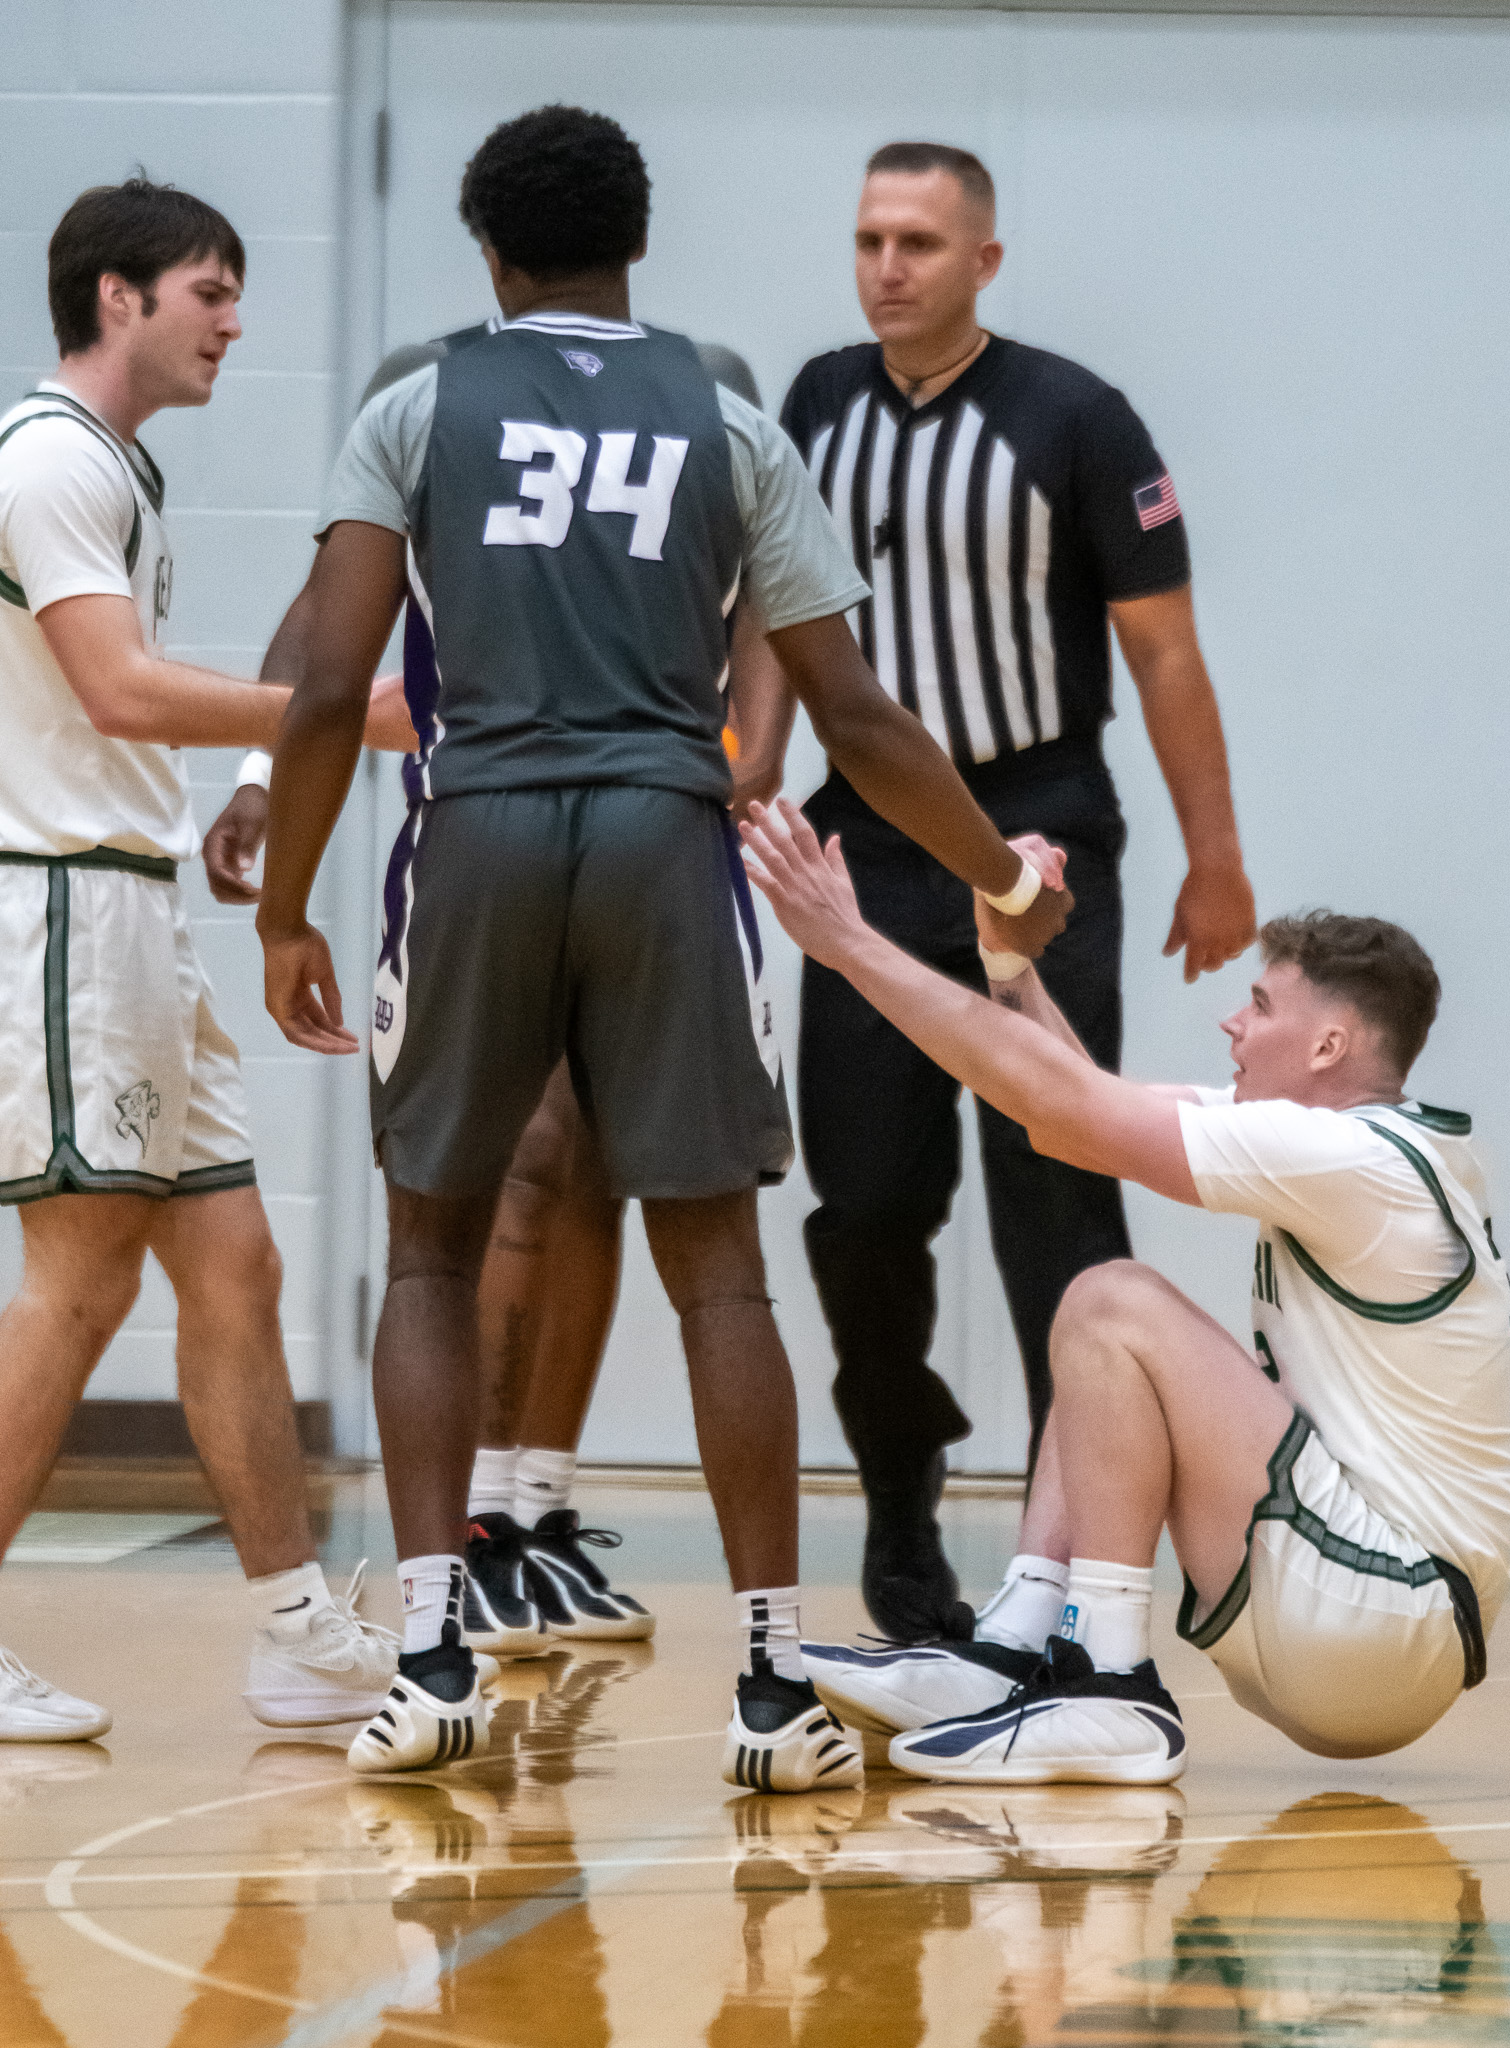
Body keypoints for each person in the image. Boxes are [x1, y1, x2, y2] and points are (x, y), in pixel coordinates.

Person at [255, 107, 1068, 1787]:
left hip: (474, 827)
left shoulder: (415, 408)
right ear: (636, 243)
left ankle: (429, 1659)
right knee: (718, 1265)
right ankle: (771, 1688)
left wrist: (283, 905)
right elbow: (848, 703)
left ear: (487, 250)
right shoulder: (725, 419)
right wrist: (997, 872)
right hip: (658, 830)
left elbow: (331, 680)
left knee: (427, 1247)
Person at [742, 797, 1510, 1781]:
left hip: (1385, 1610)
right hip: (1374, 1624)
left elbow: (1064, 1112)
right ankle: (1019, 1643)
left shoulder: (1348, 1155)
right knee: (1096, 1315)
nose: (1232, 1021)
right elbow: (1072, 1105)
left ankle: (1107, 1678)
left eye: (1263, 1004)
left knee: (1112, 1300)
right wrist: (1009, 964)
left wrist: (848, 943)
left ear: (1330, 1046)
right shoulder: (1359, 1143)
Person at [203, 340, 774, 1659]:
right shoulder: (427, 394)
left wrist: (757, 745)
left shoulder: (710, 391)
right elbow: (323, 615)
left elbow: (766, 616)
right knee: (513, 1168)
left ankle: (533, 1511)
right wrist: (256, 767)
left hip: (632, 833)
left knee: (593, 1176)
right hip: (489, 836)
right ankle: (470, 1539)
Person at [771, 141, 1259, 1643]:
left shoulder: (1077, 418)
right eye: (866, 238)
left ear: (984, 259)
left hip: (1039, 835)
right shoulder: (813, 404)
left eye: (918, 241)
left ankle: (1078, 1571)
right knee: (862, 1210)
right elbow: (772, 629)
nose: (885, 267)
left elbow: (1163, 651)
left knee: (1055, 1198)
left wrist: (1215, 855)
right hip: (863, 844)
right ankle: (904, 1507)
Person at [0, 180, 414, 1742]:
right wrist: (330, 724)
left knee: (235, 1266)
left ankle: (292, 1627)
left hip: (133, 910)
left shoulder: (114, 467)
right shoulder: (46, 458)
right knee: (82, 1284)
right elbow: (116, 691)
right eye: (209, 292)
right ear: (118, 298)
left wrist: (249, 786)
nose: (235, 322)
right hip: (63, 912)